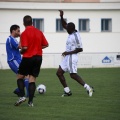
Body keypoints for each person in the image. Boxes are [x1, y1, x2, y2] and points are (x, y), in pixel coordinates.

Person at [56, 10, 94, 97]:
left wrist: (67, 52)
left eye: (67, 28)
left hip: (72, 57)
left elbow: (80, 49)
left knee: (73, 75)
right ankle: (67, 91)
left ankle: (88, 88)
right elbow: (64, 25)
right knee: (59, 73)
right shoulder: (71, 31)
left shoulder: (76, 36)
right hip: (67, 57)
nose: (66, 29)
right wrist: (61, 16)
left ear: (71, 29)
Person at [14, 15, 49, 107]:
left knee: (19, 77)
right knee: (32, 79)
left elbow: (24, 47)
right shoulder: (39, 32)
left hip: (28, 57)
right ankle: (30, 102)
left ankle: (22, 96)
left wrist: (21, 51)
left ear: (23, 23)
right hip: (38, 58)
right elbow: (46, 44)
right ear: (32, 22)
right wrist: (37, 47)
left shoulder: (24, 33)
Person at [6, 24, 29, 97]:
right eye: (18, 31)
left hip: (18, 60)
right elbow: (19, 46)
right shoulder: (10, 39)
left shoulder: (14, 39)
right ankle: (28, 94)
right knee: (25, 75)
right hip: (13, 60)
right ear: (13, 31)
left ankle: (18, 90)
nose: (19, 32)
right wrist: (21, 37)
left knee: (23, 76)